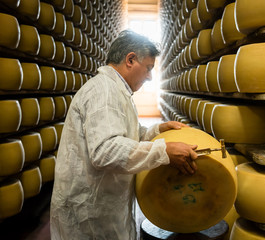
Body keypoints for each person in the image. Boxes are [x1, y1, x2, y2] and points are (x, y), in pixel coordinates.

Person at [50, 30, 198, 240]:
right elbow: (105, 150)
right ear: (130, 59)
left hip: (104, 205)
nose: (150, 76)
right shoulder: (104, 92)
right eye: (148, 68)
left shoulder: (118, 91)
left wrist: (157, 131)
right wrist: (162, 152)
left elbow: (131, 135)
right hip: (89, 212)